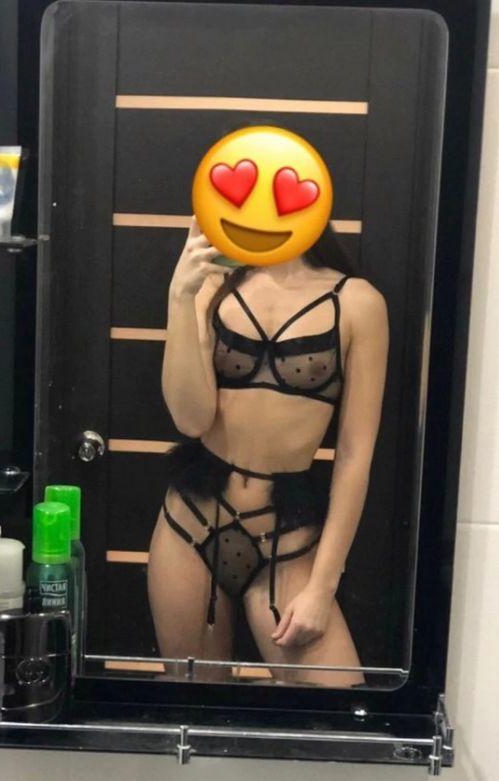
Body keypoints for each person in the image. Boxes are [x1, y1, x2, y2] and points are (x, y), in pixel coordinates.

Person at [147, 217, 388, 686]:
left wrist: (322, 587)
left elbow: (355, 455)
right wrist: (181, 297)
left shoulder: (357, 303)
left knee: (336, 712)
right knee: (193, 705)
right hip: (191, 522)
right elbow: (190, 420)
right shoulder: (213, 282)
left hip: (285, 535)